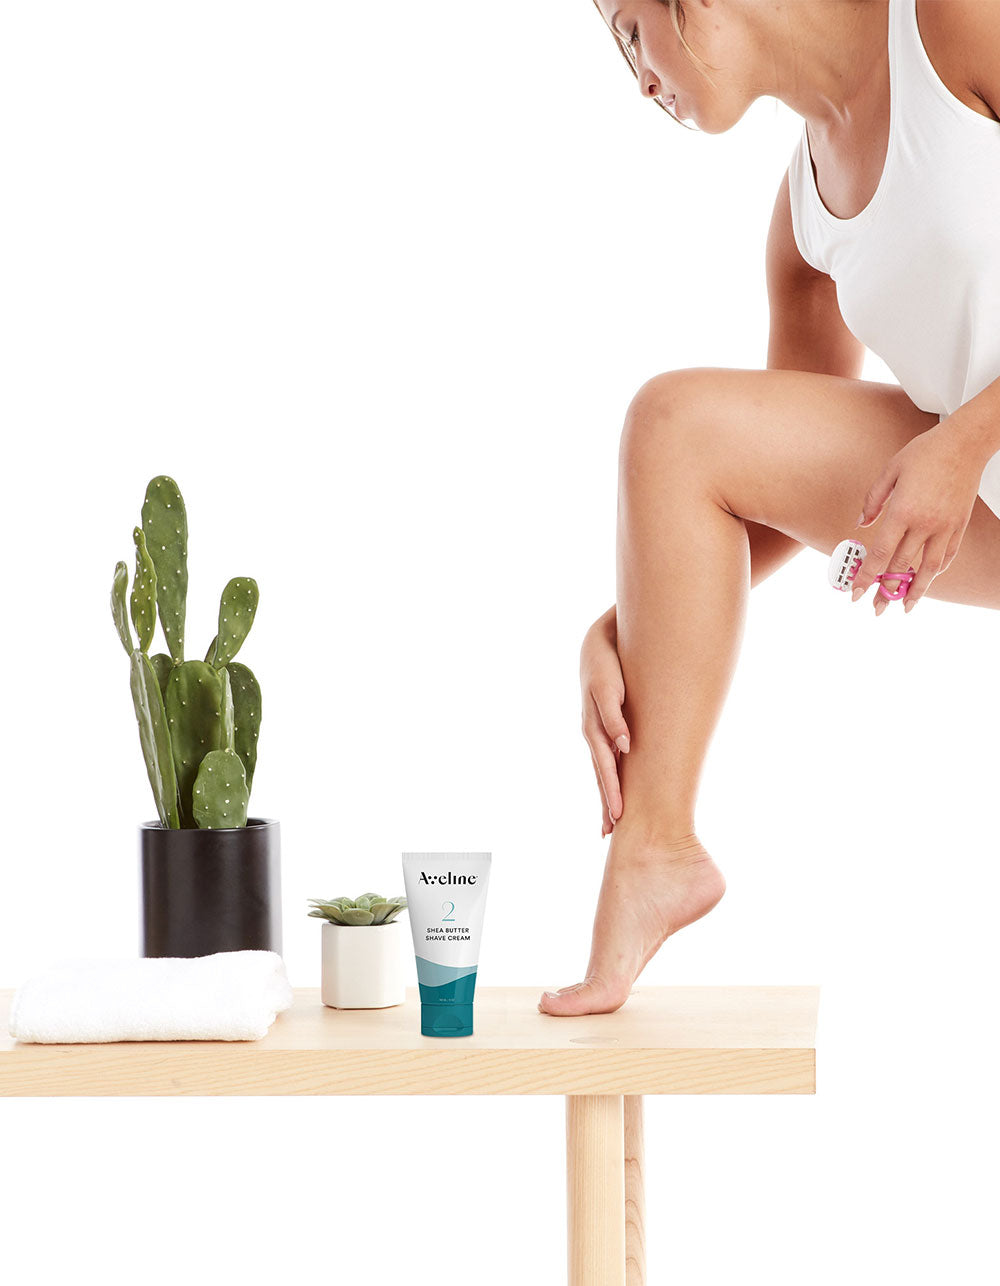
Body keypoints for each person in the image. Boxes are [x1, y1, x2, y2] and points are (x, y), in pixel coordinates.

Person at [538, 0, 1000, 1017]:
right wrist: (622, 628)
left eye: (626, 34)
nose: (638, 82)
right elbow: (765, 498)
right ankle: (654, 849)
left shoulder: (950, 27)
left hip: (982, 459)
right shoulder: (803, 225)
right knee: (678, 429)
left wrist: (962, 440)